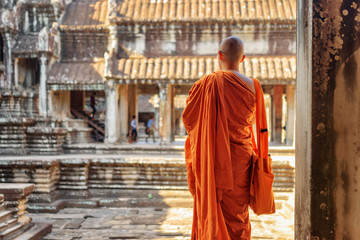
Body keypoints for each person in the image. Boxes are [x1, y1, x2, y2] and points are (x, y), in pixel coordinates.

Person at [182, 36, 271, 239]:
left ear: (219, 56)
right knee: (238, 215)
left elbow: (189, 119)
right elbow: (256, 126)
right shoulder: (253, 86)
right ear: (243, 58)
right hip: (241, 161)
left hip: (211, 162)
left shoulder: (206, 84)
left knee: (213, 210)